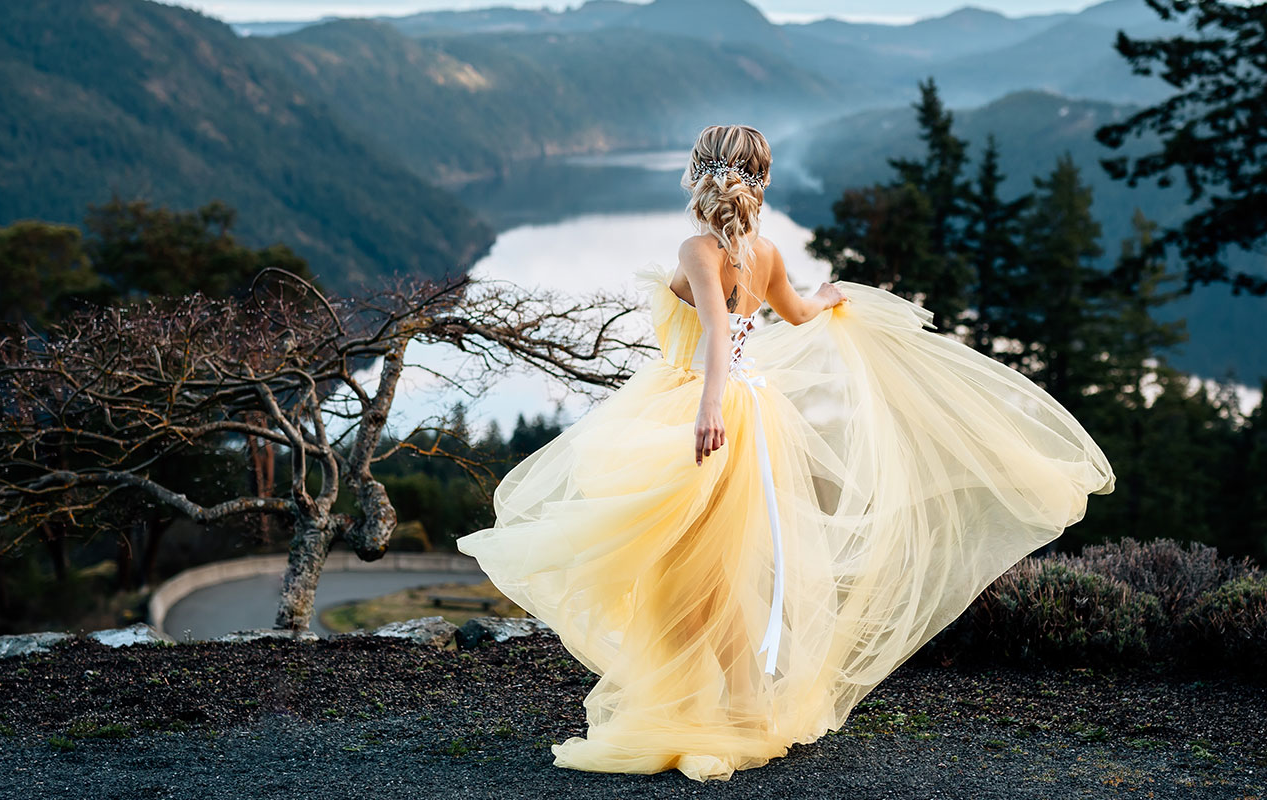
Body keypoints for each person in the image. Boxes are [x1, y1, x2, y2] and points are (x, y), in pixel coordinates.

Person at [454, 124, 1115, 782]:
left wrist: (708, 407)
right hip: (754, 417)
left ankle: (691, 708)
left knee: (678, 574)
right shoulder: (764, 252)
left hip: (699, 414)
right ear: (759, 182)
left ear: (697, 176)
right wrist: (831, 298)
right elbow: (798, 313)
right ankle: (742, 710)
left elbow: (716, 332)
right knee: (730, 571)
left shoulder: (695, 249)